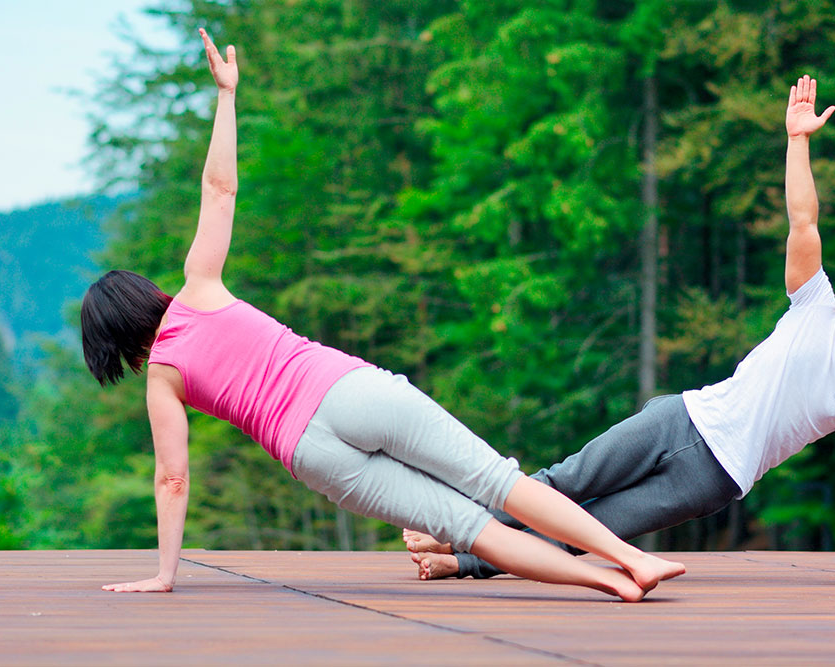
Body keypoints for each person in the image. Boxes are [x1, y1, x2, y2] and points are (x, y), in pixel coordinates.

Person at [82, 29, 686, 601]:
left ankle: (609, 584)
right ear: (148, 294)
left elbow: (173, 477)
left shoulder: (163, 377)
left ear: (119, 343)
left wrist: (165, 573)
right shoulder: (198, 286)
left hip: (310, 453)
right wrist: (226, 95)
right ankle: (629, 558)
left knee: (465, 525)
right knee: (499, 483)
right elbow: (220, 190)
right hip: (346, 391)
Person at [404, 75, 835, 588]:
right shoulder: (814, 304)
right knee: (565, 481)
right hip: (681, 417)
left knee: (593, 528)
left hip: (714, 477)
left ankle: (462, 561)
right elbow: (803, 221)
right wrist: (797, 140)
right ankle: (449, 527)